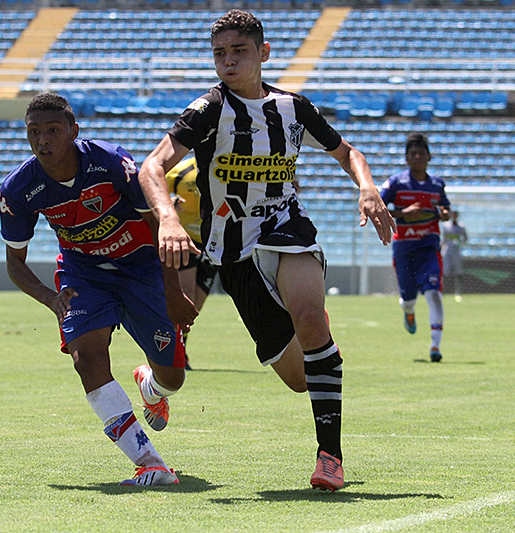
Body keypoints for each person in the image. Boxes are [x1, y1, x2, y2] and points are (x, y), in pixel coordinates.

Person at [137, 10, 396, 492]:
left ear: (264, 53)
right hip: (231, 252)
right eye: (219, 53)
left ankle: (330, 457)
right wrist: (169, 220)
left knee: (313, 322)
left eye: (238, 51)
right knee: (298, 378)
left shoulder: (294, 108)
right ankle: (152, 383)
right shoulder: (208, 110)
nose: (228, 61)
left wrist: (367, 187)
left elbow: (347, 152)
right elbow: (152, 167)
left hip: (286, 227)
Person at [0, 93, 198, 486]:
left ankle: (151, 386)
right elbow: (15, 266)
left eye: (53, 130)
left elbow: (159, 223)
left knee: (173, 377)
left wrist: (173, 291)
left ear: (74, 131)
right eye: (33, 132)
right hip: (84, 274)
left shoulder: (111, 162)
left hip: (142, 269)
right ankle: (149, 462)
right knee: (86, 360)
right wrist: (51, 299)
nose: (43, 141)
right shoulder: (19, 189)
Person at [380, 133, 452, 362]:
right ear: (406, 158)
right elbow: (378, 207)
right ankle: (408, 311)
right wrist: (403, 213)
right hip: (404, 249)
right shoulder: (396, 183)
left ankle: (435, 346)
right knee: (408, 299)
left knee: (434, 294)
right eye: (413, 154)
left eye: (422, 153)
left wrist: (444, 213)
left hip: (429, 247)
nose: (418, 157)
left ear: (429, 157)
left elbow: (446, 209)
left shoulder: (437, 184)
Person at [165, 157, 219, 370]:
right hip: (185, 240)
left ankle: (180, 347)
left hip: (213, 243)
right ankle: (176, 354)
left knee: (196, 304)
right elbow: (155, 197)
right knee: (185, 294)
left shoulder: (226, 167)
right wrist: (170, 205)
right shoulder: (179, 171)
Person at [441, 210, 468, 302]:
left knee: (458, 272)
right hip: (447, 251)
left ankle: (458, 292)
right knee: (444, 272)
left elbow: (465, 237)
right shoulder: (446, 225)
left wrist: (461, 244)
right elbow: (443, 238)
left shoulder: (461, 226)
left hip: (456, 251)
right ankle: (441, 292)